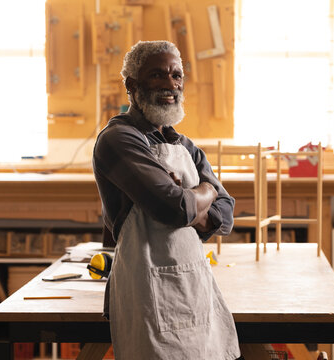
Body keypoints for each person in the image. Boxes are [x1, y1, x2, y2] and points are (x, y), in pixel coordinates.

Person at [92, 40, 241, 359]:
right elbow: (173, 208)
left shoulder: (184, 144)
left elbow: (226, 215)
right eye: (157, 75)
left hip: (192, 284)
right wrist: (207, 191)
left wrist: (191, 199)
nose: (171, 84)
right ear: (132, 85)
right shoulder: (119, 139)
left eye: (177, 75)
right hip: (145, 286)